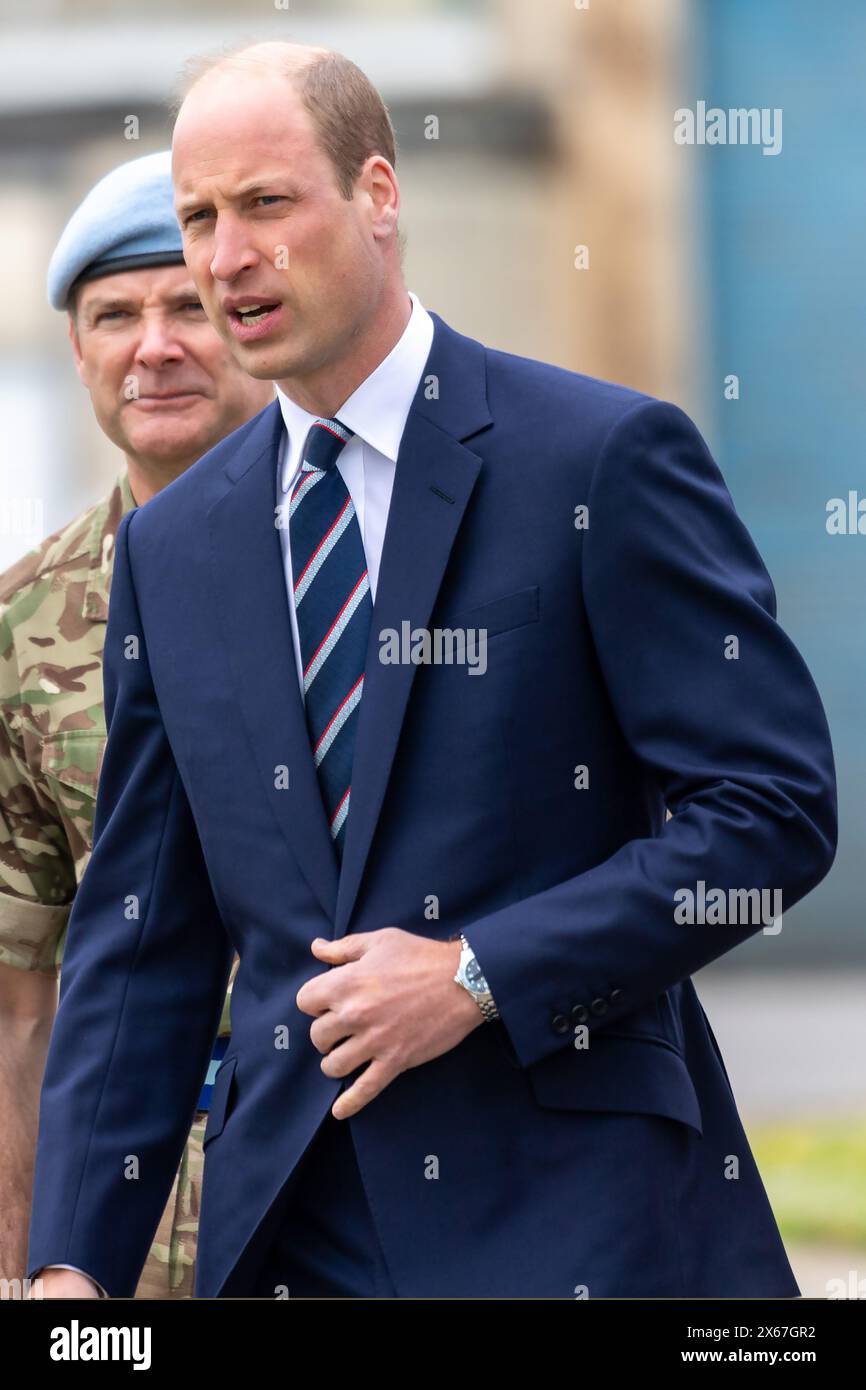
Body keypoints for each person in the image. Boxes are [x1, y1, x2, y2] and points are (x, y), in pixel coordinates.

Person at [29, 43, 836, 1299]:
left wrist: (476, 974)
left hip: (579, 1220)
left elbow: (768, 816)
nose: (226, 256)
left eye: (266, 204)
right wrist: (75, 1263)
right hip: (289, 1232)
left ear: (378, 195)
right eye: (198, 217)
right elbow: (140, 939)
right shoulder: (175, 549)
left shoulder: (598, 458)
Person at [0, 149, 272, 1298]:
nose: (152, 345)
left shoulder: (366, 563)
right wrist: (28, 1269)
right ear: (77, 351)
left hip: (366, 1184)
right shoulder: (27, 619)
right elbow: (21, 998)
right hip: (135, 1226)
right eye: (114, 315)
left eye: (189, 307)